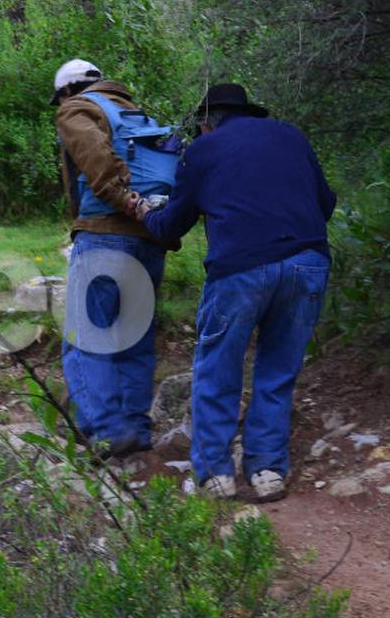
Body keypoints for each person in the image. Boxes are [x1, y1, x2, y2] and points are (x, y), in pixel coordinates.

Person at [133, 83, 336, 501]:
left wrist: (142, 211)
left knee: (218, 370)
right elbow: (326, 204)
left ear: (206, 123)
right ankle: (267, 471)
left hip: (241, 269)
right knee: (278, 370)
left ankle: (216, 476)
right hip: (307, 263)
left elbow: (171, 225)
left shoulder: (202, 151)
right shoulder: (291, 136)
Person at [53, 59, 178, 457]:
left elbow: (97, 162)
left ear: (66, 91)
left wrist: (127, 201)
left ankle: (107, 430)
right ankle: (136, 431)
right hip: (150, 241)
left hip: (105, 236)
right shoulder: (137, 115)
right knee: (134, 339)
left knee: (85, 338)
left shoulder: (77, 108)